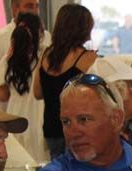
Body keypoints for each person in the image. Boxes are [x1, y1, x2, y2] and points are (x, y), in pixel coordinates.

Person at [33, 3, 97, 159]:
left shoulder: (46, 55)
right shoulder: (88, 59)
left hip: (51, 128)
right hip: (77, 128)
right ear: (83, 28)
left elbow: (37, 93)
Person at [0, 12, 48, 163]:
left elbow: (2, 95)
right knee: (38, 159)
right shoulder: (46, 55)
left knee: (16, 160)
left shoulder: (7, 60)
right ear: (38, 32)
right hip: (38, 113)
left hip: (15, 116)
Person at [0, 0, 49, 66]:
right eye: (29, 6)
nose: (35, 11)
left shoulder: (46, 36)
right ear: (14, 9)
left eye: (37, 6)